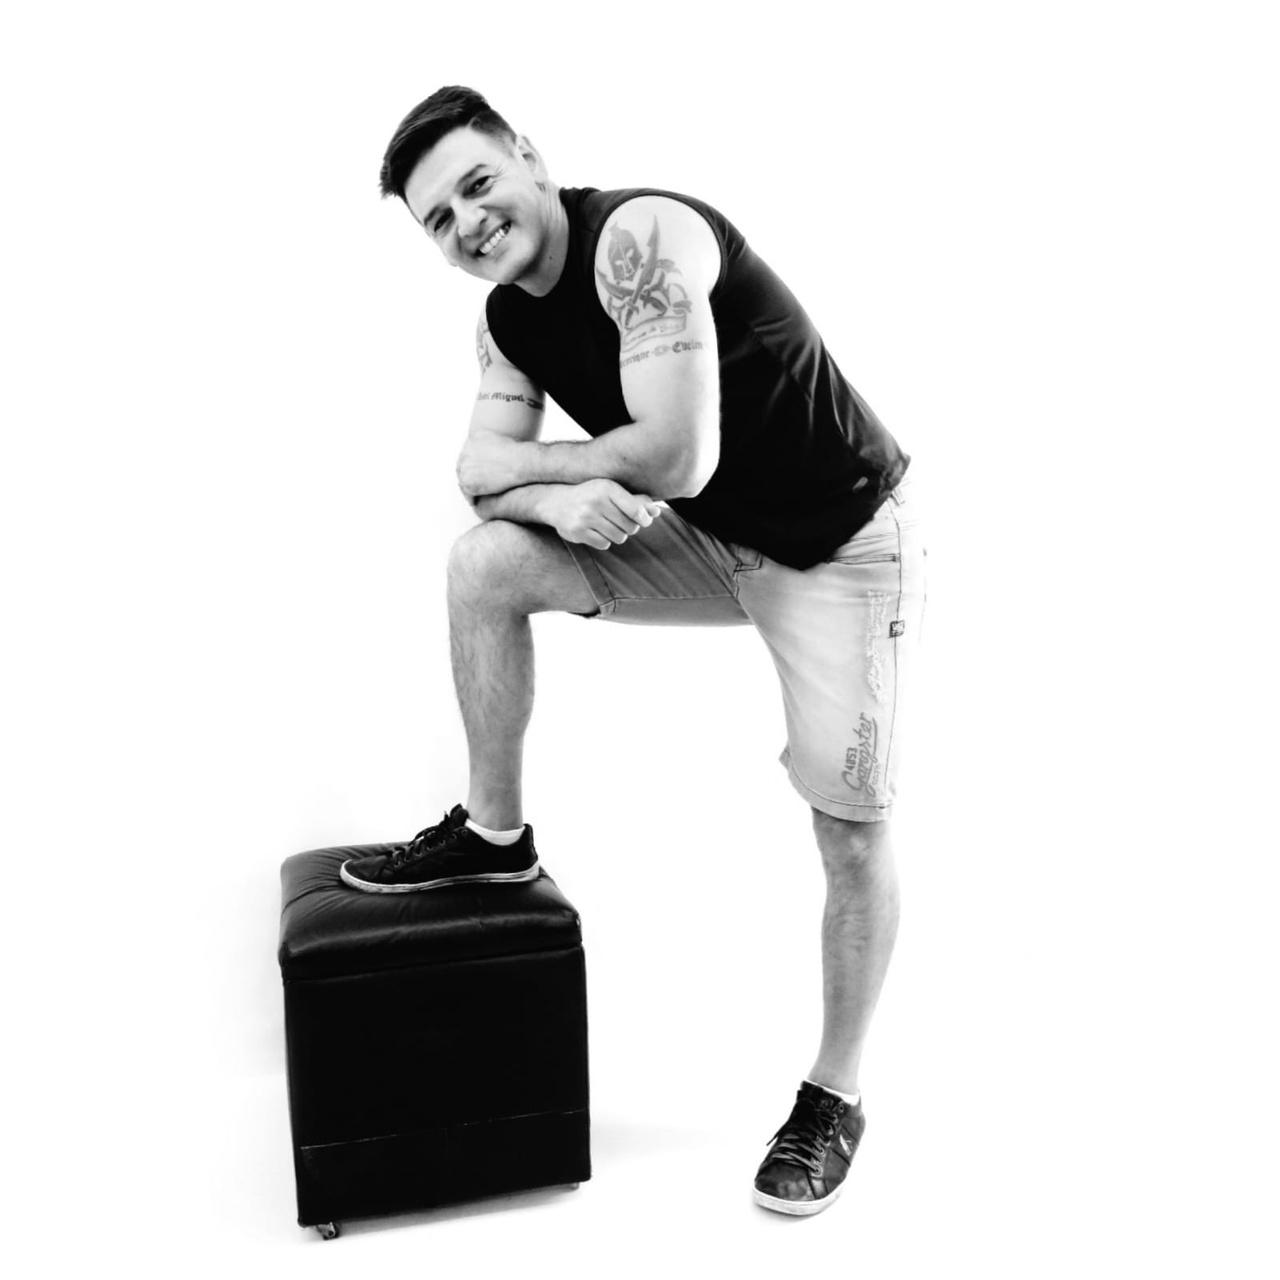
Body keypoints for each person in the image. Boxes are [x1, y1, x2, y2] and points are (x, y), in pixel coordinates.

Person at [341, 86, 927, 1217]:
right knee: (485, 564)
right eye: (438, 220)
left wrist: (539, 472)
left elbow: (675, 456)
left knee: (849, 826)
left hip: (839, 544)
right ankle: (494, 837)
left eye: (477, 184)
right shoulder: (505, 320)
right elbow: (477, 479)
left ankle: (834, 1094)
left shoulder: (639, 238)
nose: (468, 223)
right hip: (712, 541)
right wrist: (557, 503)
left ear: (527, 155)